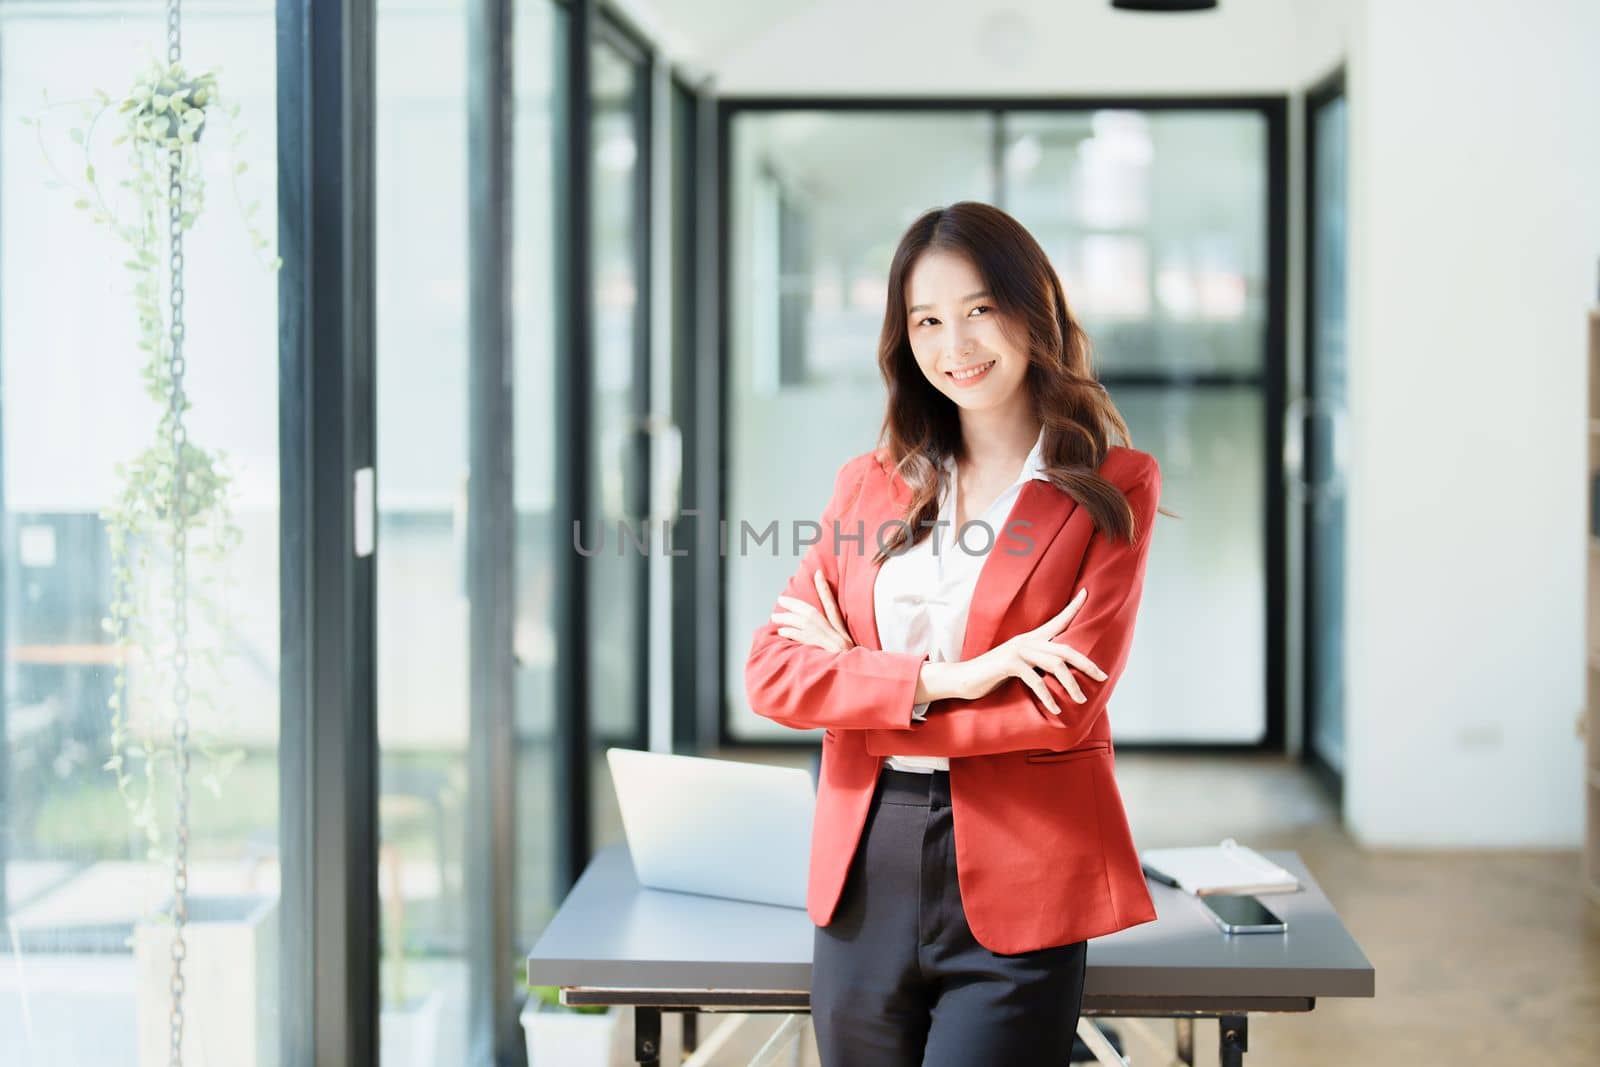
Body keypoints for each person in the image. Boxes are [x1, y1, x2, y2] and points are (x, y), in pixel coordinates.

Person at [744, 200, 1167, 1066]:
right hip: (867, 863)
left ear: (1032, 308)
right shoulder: (868, 485)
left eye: (979, 310)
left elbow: (1062, 707)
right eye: (927, 321)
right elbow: (772, 674)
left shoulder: (1111, 485)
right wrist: (955, 678)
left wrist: (857, 677)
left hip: (1024, 859)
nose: (956, 345)